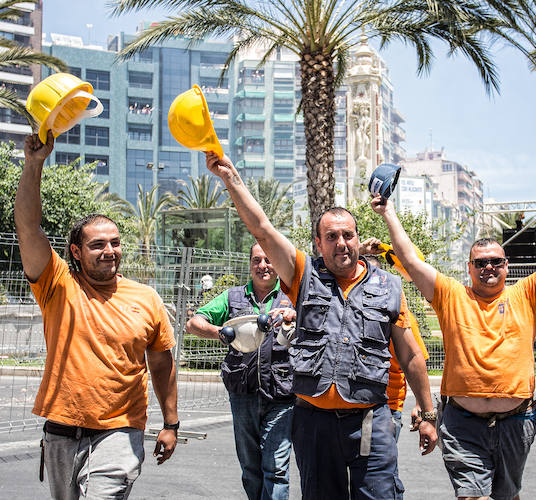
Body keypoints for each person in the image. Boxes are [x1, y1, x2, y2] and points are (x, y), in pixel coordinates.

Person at [204, 151, 437, 500]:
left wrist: (428, 413)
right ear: (318, 243)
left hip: (370, 422)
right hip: (314, 422)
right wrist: (231, 179)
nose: (341, 243)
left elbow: (412, 356)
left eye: (347, 235)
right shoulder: (303, 275)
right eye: (331, 237)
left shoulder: (389, 287)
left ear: (358, 238)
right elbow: (263, 229)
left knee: (378, 494)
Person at [372, 179, 536, 500]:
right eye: (480, 262)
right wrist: (389, 213)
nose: (488, 267)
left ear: (507, 266)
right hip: (462, 425)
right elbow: (410, 261)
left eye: (496, 261)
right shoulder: (450, 294)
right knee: (471, 496)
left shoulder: (528, 293)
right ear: (470, 267)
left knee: (507, 495)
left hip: (517, 423)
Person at [14, 133, 179, 499]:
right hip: (61, 429)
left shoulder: (146, 298)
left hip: (120, 431)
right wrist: (34, 164)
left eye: (115, 242)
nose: (110, 251)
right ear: (75, 251)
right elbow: (28, 228)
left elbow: (162, 363)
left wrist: (171, 423)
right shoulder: (56, 283)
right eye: (98, 244)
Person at [185, 242, 296, 499]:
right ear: (250, 265)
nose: (263, 266)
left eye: (268, 260)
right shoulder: (233, 297)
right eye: (257, 260)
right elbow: (193, 323)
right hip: (242, 395)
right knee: (250, 468)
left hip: (282, 396)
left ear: (277, 264)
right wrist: (220, 333)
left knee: (276, 468)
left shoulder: (291, 296)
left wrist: (294, 316)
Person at [358, 239, 431, 441]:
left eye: (376, 277)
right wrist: (359, 250)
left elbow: (414, 359)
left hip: (388, 406)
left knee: (382, 469)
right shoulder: (346, 309)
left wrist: (421, 405)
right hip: (352, 403)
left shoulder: (396, 310)